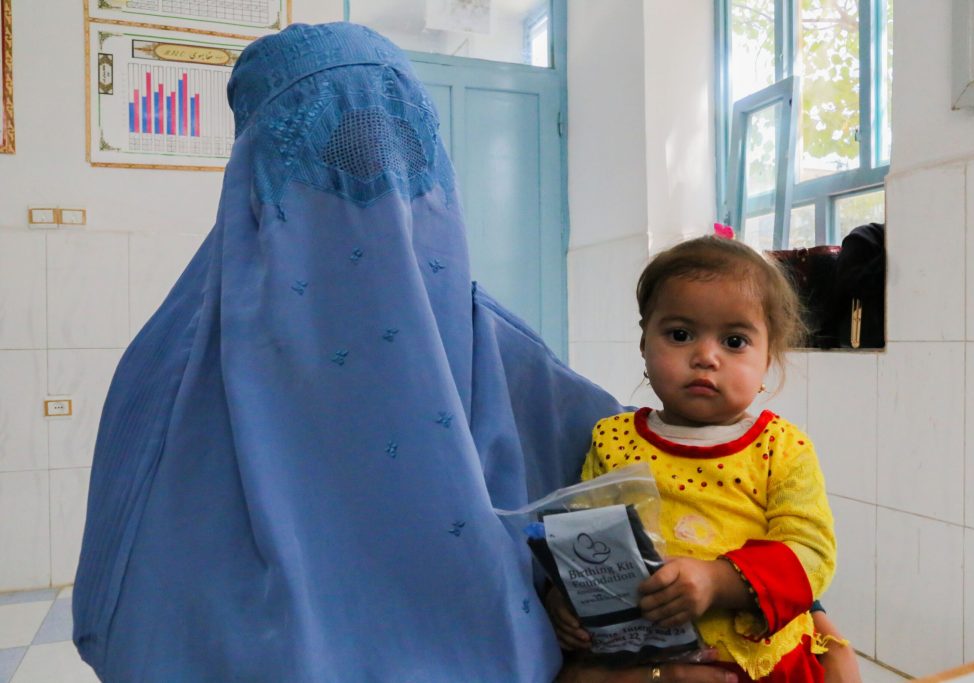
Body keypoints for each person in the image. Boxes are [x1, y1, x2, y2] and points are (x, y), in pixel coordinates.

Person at [70, 22, 744, 683]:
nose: (378, 201)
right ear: (254, 178)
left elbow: (676, 479)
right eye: (329, 162)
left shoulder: (501, 354)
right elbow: (124, 619)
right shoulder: (172, 376)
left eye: (400, 154)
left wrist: (763, 594)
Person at [546, 236, 856, 683]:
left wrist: (717, 580)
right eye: (679, 334)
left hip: (763, 667)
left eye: (734, 340)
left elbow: (811, 554)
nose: (705, 357)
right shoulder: (611, 441)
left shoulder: (781, 448)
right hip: (640, 662)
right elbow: (583, 540)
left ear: (768, 356)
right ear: (643, 343)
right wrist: (565, 596)